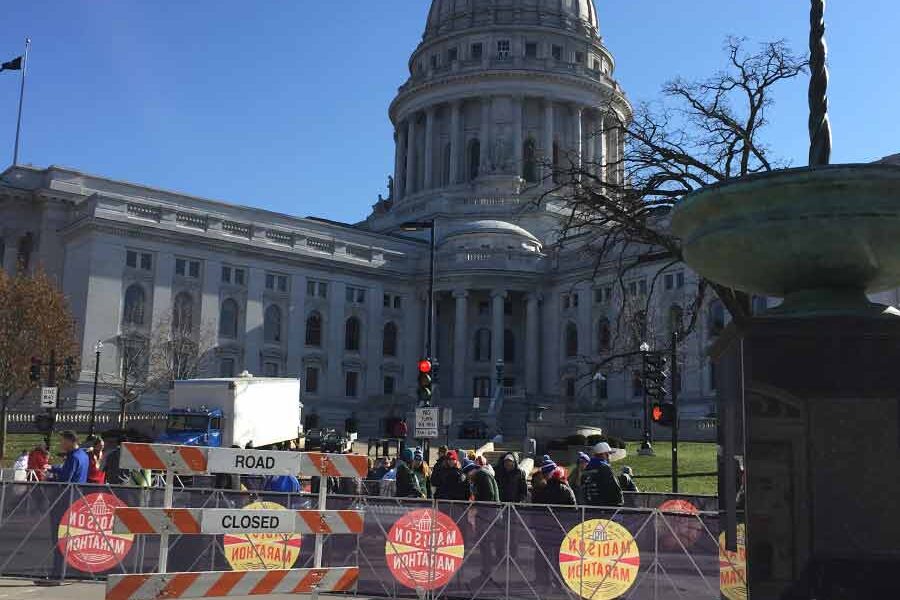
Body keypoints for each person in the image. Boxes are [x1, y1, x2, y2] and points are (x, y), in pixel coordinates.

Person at [462, 459, 500, 584]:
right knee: (484, 545)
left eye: (468, 474)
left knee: (486, 544)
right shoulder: (481, 476)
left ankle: (487, 573)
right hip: (485, 514)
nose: (468, 477)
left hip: (487, 515)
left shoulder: (482, 476)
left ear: (471, 471)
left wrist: (477, 504)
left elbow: (489, 494)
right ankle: (485, 571)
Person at [581, 442, 623, 507]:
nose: (610, 456)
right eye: (609, 453)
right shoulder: (605, 468)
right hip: (606, 508)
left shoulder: (587, 469)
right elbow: (615, 489)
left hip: (589, 507)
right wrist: (619, 504)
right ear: (604, 454)